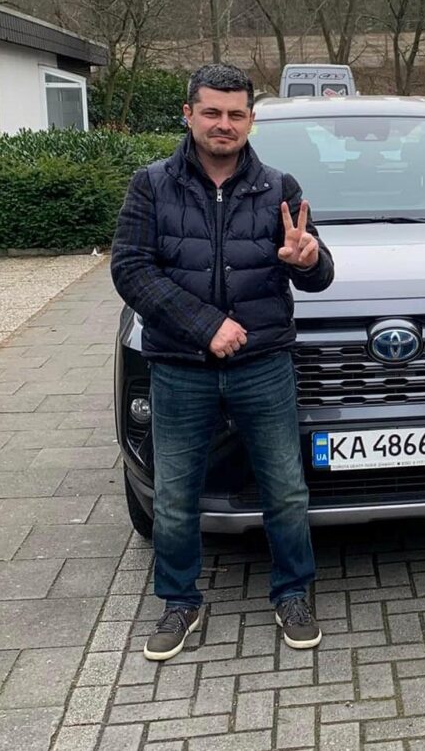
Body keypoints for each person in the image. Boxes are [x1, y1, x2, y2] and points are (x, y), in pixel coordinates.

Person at [111, 63, 334, 661]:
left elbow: (319, 275)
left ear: (251, 120)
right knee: (175, 495)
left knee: (285, 490)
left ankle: (293, 593)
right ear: (188, 115)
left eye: (236, 114)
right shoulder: (151, 186)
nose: (223, 124)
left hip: (263, 366)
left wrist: (308, 259)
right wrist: (205, 325)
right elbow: (130, 270)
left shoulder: (279, 187)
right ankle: (179, 602)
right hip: (179, 366)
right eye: (211, 112)